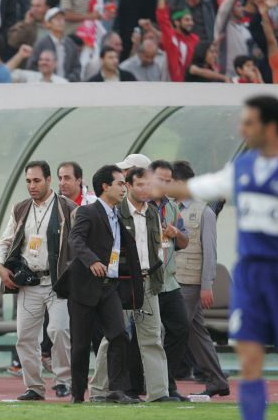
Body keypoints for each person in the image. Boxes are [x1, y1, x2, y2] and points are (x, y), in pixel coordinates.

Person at [169, 95, 278, 420]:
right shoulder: (241, 168)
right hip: (250, 276)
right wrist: (160, 188)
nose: (242, 129)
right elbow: (201, 186)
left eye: (249, 122)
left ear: (270, 127)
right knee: (249, 358)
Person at [55, 165, 140, 404]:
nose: (124, 188)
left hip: (109, 286)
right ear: (105, 186)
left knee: (119, 334)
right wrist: (91, 260)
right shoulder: (88, 212)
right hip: (83, 287)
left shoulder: (119, 215)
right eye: (120, 184)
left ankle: (117, 389)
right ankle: (77, 395)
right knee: (81, 344)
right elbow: (75, 239)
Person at [89, 167, 175, 403]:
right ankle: (98, 390)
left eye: (149, 184)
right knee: (112, 337)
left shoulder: (153, 212)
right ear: (128, 186)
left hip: (148, 282)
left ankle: (159, 393)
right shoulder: (116, 212)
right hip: (122, 284)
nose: (146, 189)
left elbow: (157, 248)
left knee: (152, 338)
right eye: (140, 184)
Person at [0, 161, 76, 400]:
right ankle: (34, 387)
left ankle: (64, 381)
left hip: (58, 282)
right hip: (29, 283)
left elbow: (79, 244)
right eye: (28, 181)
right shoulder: (20, 208)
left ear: (49, 180)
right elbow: (5, 241)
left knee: (59, 331)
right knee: (25, 338)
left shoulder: (68, 207)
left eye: (37, 180)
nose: (32, 185)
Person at [171, 160, 230, 399]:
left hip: (191, 283)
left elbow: (210, 251)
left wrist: (207, 286)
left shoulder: (204, 211)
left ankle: (163, 383)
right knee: (196, 334)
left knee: (173, 329)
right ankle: (217, 380)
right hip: (175, 280)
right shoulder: (171, 209)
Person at [149, 159, 191, 401]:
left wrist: (176, 233)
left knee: (180, 328)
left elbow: (185, 241)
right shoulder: (140, 205)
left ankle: (167, 383)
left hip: (169, 282)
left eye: (168, 181)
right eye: (160, 180)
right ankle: (141, 385)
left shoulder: (172, 208)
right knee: (146, 336)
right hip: (147, 283)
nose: (164, 185)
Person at [155, 0, 199, 83]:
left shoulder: (195, 39)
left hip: (191, 85)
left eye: (191, 20)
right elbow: (162, 17)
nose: (191, 23)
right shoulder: (171, 37)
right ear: (177, 22)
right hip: (171, 86)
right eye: (187, 20)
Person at [28, 8, 81, 82]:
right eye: (56, 19)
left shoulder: (71, 44)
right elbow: (32, 66)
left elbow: (77, 67)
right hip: (46, 85)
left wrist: (68, 80)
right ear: (48, 24)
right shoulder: (41, 44)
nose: (60, 21)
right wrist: (46, 78)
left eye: (62, 18)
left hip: (67, 85)